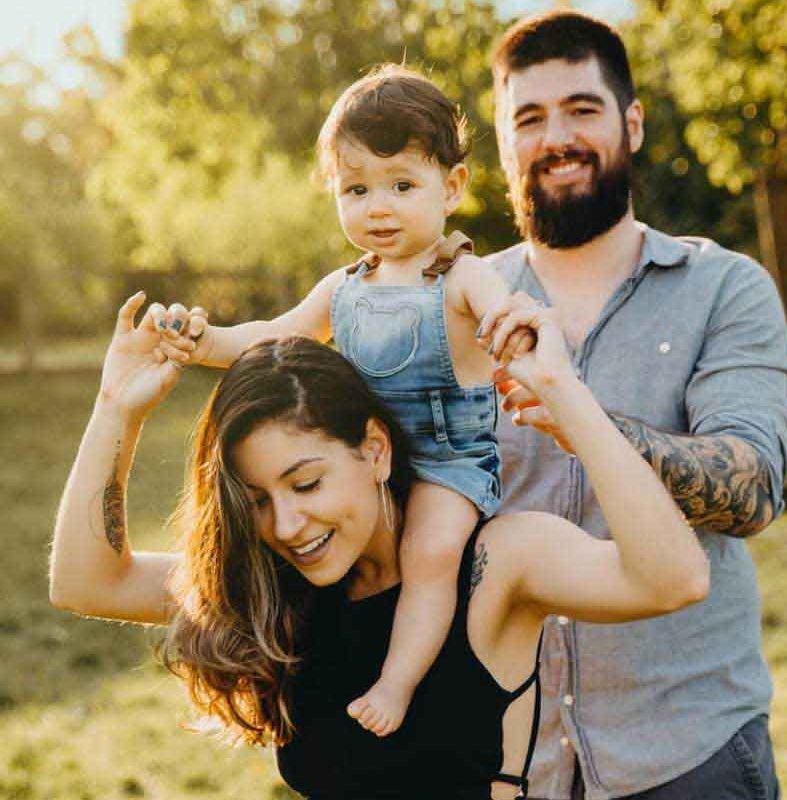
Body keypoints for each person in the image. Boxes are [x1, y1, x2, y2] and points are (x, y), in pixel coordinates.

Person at [50, 292, 708, 800]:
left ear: (375, 450)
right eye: (257, 501)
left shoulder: (495, 564)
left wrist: (567, 399)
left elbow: (673, 579)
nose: (287, 525)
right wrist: (117, 407)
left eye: (306, 483)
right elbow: (86, 583)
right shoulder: (275, 585)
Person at [150, 65, 536, 737]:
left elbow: (505, 314)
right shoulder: (344, 287)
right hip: (367, 464)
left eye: (401, 186)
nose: (377, 207)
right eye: (356, 189)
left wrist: (518, 333)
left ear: (452, 187)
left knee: (430, 555)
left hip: (446, 463)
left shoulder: (462, 278)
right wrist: (206, 341)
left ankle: (398, 681)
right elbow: (273, 335)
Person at [482, 10, 787, 800]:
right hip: (505, 762)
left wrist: (581, 418)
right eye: (529, 118)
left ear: (632, 123)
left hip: (688, 753)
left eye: (581, 109)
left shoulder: (724, 288)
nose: (557, 137)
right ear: (503, 144)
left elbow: (752, 488)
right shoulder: (459, 308)